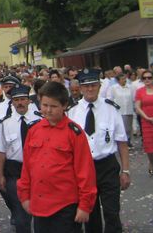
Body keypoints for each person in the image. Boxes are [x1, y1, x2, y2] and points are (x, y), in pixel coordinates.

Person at [17, 82, 96, 233]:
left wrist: (85, 206)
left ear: (64, 105)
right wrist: (24, 195)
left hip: (65, 206)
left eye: (53, 106)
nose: (47, 110)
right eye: (44, 105)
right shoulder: (34, 130)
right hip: (39, 205)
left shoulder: (74, 132)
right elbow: (27, 166)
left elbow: (85, 171)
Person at [67, 69, 130, 233]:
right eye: (86, 86)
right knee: (90, 214)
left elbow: (122, 142)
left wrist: (126, 170)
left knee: (112, 212)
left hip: (107, 166)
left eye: (93, 85)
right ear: (80, 88)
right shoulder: (72, 111)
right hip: (84, 168)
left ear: (99, 86)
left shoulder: (111, 108)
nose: (90, 89)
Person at [0, 85, 40, 233]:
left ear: (29, 101)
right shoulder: (5, 123)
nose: (20, 103)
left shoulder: (40, 120)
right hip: (15, 171)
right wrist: (0, 176)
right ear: (12, 102)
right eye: (16, 100)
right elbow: (0, 151)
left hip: (37, 170)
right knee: (20, 214)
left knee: (39, 212)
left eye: (23, 99)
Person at [107, 73, 135, 147]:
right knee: (122, 127)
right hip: (119, 111)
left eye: (125, 79)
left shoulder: (130, 87)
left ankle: (128, 140)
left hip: (129, 110)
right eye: (122, 79)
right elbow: (109, 99)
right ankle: (122, 142)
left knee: (128, 127)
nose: (124, 80)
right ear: (118, 80)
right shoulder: (113, 88)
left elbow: (133, 98)